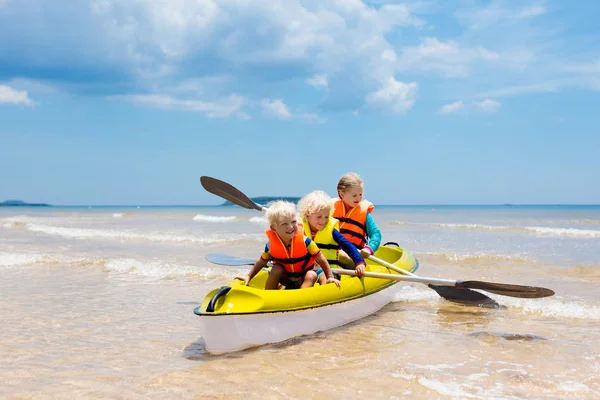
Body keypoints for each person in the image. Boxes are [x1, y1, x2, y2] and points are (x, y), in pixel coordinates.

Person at [235, 200, 340, 290]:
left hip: (303, 276)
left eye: (293, 222)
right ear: (274, 228)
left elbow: (321, 259)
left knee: (312, 274)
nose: (290, 227)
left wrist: (329, 276)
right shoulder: (270, 245)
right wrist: (248, 276)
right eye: (285, 224)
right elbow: (261, 262)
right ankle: (269, 295)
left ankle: (301, 297)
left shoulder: (306, 241)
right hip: (286, 278)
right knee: (276, 269)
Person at [297, 190, 366, 285]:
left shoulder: (331, 230)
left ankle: (326, 294)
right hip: (307, 270)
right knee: (306, 276)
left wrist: (359, 262)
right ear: (308, 215)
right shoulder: (299, 228)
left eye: (326, 217)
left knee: (325, 278)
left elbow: (347, 245)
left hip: (329, 270)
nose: (323, 221)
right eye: (319, 217)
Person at [332, 173, 382, 268]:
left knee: (340, 254)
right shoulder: (330, 209)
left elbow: (376, 234)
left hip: (354, 257)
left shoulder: (364, 214)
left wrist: (369, 248)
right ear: (342, 194)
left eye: (360, 195)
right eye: (354, 195)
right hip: (330, 252)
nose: (359, 199)